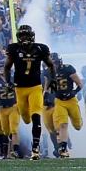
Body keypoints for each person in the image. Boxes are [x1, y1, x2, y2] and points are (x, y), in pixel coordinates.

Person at [4, 24, 54, 160]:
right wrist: (8, 82)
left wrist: (52, 81)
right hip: (19, 88)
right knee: (25, 118)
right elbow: (7, 67)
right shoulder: (14, 49)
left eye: (27, 36)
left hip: (35, 87)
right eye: (22, 36)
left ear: (32, 36)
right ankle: (35, 147)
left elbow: (50, 65)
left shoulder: (40, 48)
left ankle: (35, 149)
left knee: (36, 117)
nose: (24, 39)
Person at [47, 53, 83, 158]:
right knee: (63, 125)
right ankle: (63, 149)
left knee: (77, 126)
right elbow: (49, 87)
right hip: (59, 101)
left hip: (71, 100)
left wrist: (74, 92)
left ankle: (79, 122)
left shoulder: (68, 69)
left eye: (55, 62)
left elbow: (80, 84)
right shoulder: (49, 72)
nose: (54, 65)